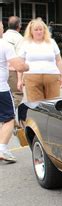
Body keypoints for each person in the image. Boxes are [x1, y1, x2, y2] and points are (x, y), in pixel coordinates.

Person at [0, 21, 29, 163]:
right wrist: (27, 66)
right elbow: (19, 65)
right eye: (0, 27)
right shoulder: (4, 45)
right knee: (9, 118)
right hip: (1, 89)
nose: (2, 29)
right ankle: (3, 149)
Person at [17, 18, 62, 103]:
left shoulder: (51, 42)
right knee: (35, 105)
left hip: (52, 77)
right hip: (31, 78)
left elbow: (58, 60)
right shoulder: (25, 43)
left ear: (44, 30)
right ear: (31, 31)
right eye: (36, 30)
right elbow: (21, 63)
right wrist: (19, 80)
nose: (39, 32)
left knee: (53, 104)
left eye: (40, 29)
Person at [3, 16, 24, 108]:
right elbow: (19, 60)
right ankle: (7, 118)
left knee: (4, 95)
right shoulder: (20, 39)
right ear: (19, 25)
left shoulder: (3, 36)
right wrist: (20, 80)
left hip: (2, 68)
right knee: (17, 95)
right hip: (12, 71)